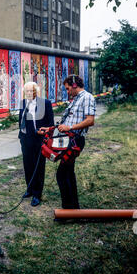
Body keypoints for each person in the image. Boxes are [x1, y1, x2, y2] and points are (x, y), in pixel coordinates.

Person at [53, 74, 96, 209]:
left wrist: (69, 127)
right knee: (68, 173)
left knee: (62, 174)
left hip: (75, 140)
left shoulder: (87, 97)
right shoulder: (76, 99)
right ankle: (73, 207)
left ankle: (68, 209)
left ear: (74, 85)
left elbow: (90, 120)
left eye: (67, 88)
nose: (67, 92)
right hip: (69, 140)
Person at [19, 82, 54, 207]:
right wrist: (21, 136)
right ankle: (29, 189)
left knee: (38, 167)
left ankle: (37, 194)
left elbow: (51, 124)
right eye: (26, 91)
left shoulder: (45, 104)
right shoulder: (23, 103)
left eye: (30, 91)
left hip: (39, 139)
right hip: (26, 139)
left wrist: (44, 131)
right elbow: (21, 120)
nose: (28, 93)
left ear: (36, 91)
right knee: (27, 165)